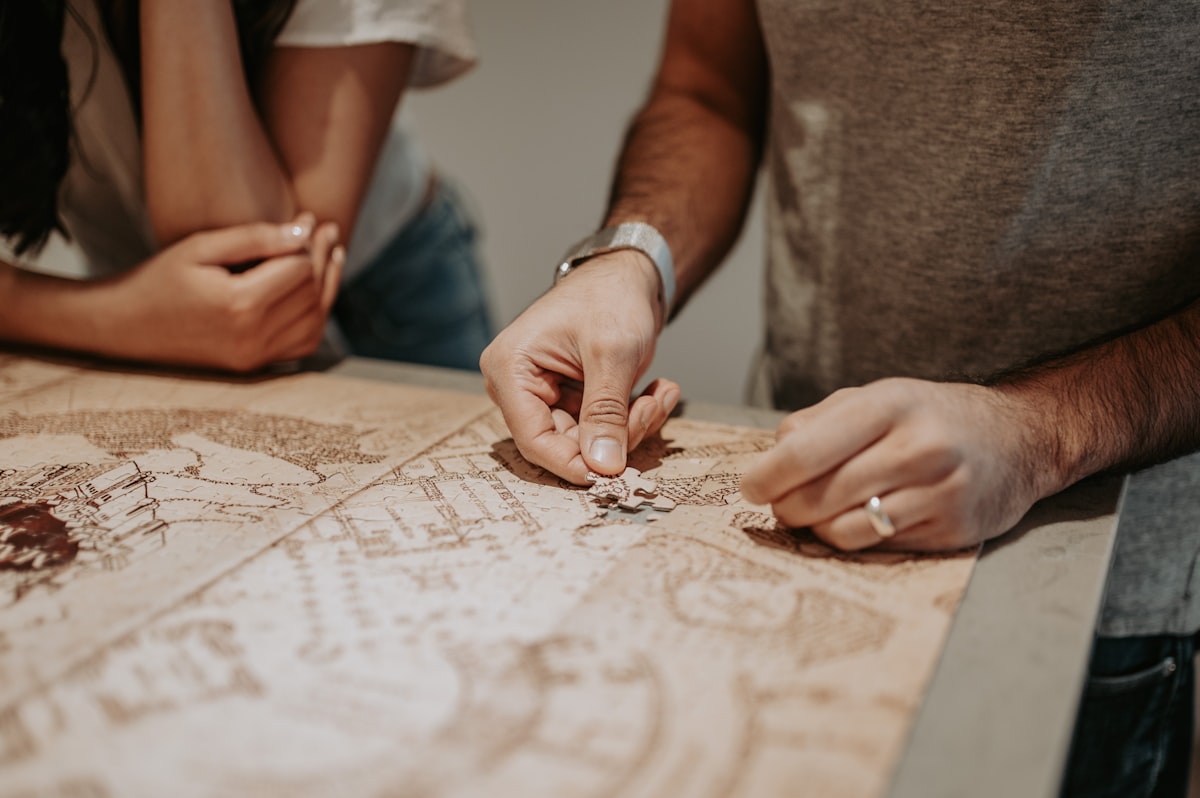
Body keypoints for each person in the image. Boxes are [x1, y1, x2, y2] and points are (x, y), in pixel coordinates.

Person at [479, 1, 1200, 795]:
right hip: (791, 529)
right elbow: (708, 89)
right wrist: (628, 260)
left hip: (1092, 577)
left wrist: (1043, 432)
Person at [0, 0, 491, 373]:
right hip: (136, 294)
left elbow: (249, 268)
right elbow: (223, 301)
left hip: (388, 292)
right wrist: (118, 318)